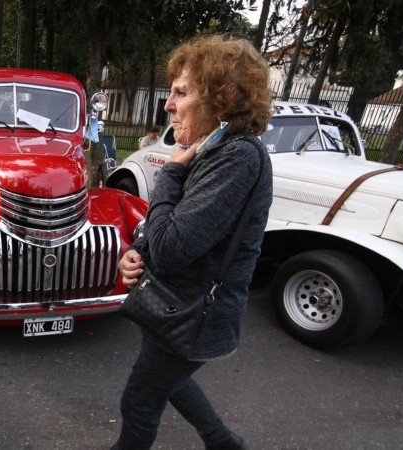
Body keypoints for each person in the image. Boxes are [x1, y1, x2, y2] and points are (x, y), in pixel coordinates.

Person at [113, 35, 274, 449]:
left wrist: (170, 174)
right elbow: (159, 232)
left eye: (181, 92)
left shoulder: (236, 158)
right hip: (173, 303)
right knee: (171, 381)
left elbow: (173, 245)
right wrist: (136, 251)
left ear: (222, 101)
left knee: (140, 400)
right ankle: (222, 441)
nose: (168, 104)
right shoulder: (205, 151)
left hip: (193, 313)